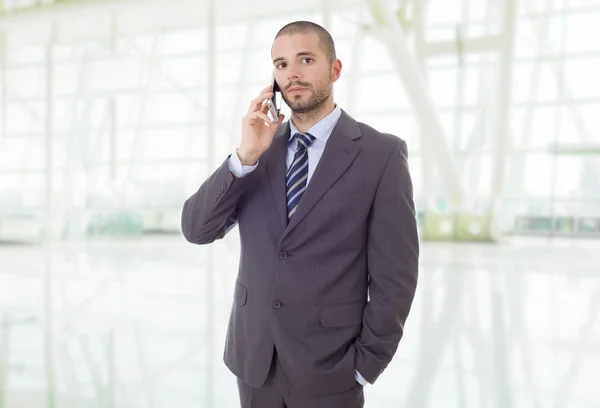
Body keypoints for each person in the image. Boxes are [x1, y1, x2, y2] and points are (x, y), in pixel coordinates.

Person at [181, 20, 419, 408]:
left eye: (305, 59)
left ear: (335, 69)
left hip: (332, 368)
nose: (291, 73)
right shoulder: (258, 151)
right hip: (255, 362)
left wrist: (365, 365)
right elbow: (196, 229)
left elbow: (397, 275)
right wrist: (244, 158)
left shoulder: (381, 154)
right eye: (280, 64)